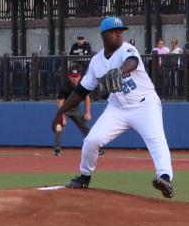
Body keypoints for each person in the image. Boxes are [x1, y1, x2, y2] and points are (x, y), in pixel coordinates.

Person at [51, 16, 174, 198]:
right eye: (114, 32)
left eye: (121, 31)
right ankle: (84, 177)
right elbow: (81, 91)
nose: (118, 34)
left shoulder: (127, 50)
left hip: (144, 104)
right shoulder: (96, 62)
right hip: (117, 109)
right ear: (103, 35)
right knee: (91, 141)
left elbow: (132, 61)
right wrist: (60, 113)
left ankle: (165, 178)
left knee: (156, 140)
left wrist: (120, 71)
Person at [53, 67, 103, 157]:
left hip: (76, 109)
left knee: (85, 128)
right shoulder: (65, 87)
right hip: (65, 109)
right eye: (73, 76)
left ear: (79, 77)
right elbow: (60, 102)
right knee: (59, 127)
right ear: (69, 77)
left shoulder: (82, 85)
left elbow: (86, 98)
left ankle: (96, 149)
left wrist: (88, 112)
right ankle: (57, 150)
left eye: (76, 76)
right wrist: (61, 116)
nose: (75, 78)